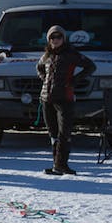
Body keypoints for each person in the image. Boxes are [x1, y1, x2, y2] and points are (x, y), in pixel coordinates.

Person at [37, 25, 96, 175]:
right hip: (47, 99)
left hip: (64, 98)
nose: (55, 40)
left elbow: (90, 66)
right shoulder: (47, 55)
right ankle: (57, 164)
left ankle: (61, 165)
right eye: (52, 37)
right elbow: (39, 67)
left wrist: (74, 80)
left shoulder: (71, 54)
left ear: (64, 39)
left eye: (59, 37)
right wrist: (44, 79)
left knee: (64, 133)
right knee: (53, 133)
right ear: (49, 40)